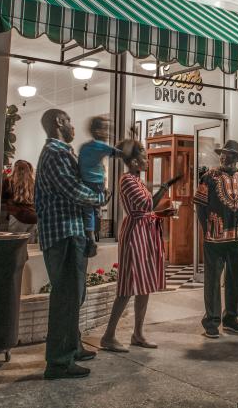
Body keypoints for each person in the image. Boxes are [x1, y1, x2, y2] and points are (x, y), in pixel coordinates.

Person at [34, 108, 107, 380]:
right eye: (69, 120)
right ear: (58, 122)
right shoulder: (55, 153)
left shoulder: (61, 152)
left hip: (71, 230)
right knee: (66, 296)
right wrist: (101, 197)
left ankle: (72, 347)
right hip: (62, 232)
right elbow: (72, 189)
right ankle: (59, 362)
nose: (72, 126)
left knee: (74, 293)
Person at [100, 140, 176, 352]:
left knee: (144, 286)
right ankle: (108, 336)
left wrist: (160, 214)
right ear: (133, 161)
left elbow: (147, 209)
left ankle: (138, 334)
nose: (147, 161)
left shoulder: (137, 180)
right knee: (128, 286)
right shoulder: (127, 180)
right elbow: (146, 205)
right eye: (144, 157)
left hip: (146, 232)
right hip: (135, 235)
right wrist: (164, 187)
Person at [194, 140, 238, 339]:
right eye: (222, 154)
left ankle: (231, 318)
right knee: (213, 280)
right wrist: (207, 229)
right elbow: (200, 205)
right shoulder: (209, 177)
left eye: (229, 154)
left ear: (236, 159)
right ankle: (212, 321)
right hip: (215, 238)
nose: (224, 157)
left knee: (237, 279)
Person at [78, 115, 122, 257]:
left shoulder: (85, 147)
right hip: (96, 183)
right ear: (96, 131)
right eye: (105, 129)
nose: (107, 133)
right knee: (94, 209)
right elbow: (118, 153)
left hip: (85, 182)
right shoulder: (99, 146)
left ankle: (90, 237)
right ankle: (91, 238)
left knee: (89, 211)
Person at [1, 160, 38, 242]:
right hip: (33, 218)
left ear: (16, 169)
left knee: (14, 247)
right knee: (30, 249)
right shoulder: (34, 183)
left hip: (18, 217)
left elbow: (1, 197)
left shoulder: (9, 181)